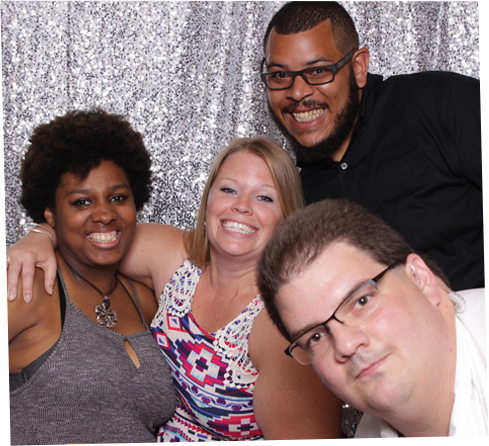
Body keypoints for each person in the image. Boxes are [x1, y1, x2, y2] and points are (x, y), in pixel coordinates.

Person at [1, 137, 342, 445]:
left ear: (287, 218)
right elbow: (97, 231)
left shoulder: (282, 325)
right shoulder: (174, 258)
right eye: (228, 190)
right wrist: (40, 236)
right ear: (208, 199)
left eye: (264, 197)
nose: (242, 206)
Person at [260, 0, 489, 290]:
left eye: (318, 71)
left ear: (358, 67)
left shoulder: (437, 104)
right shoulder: (300, 198)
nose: (297, 92)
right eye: (280, 75)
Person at [0, 109, 177, 445]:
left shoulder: (146, 299)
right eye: (82, 202)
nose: (105, 213)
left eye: (118, 198)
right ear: (50, 212)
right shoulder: (30, 286)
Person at [257, 198, 489, 446]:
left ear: (420, 279)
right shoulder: (367, 440)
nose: (345, 345)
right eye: (316, 337)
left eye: (361, 301)